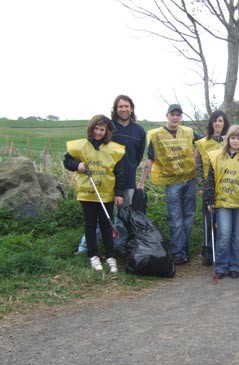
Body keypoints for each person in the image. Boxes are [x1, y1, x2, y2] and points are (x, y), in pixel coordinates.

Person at [74, 95, 146, 255]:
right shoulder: (108, 126)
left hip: (127, 180)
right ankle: (85, 246)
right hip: (104, 179)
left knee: (122, 215)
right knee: (99, 216)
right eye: (120, 106)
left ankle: (117, 246)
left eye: (127, 106)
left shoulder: (139, 131)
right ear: (116, 109)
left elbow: (139, 155)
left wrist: (131, 167)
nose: (124, 109)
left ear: (132, 108)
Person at [64, 115, 125, 273]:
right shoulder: (81, 146)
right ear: (91, 129)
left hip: (107, 193)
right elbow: (67, 161)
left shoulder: (114, 149)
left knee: (106, 224)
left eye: (102, 129)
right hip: (87, 192)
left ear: (107, 131)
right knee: (90, 224)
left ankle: (110, 256)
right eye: (96, 129)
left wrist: (119, 193)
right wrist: (77, 165)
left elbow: (119, 172)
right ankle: (93, 255)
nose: (98, 132)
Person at [138, 103, 197, 265]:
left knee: (189, 217)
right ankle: (178, 253)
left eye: (178, 115)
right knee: (176, 219)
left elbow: (204, 143)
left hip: (189, 180)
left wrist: (196, 156)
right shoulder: (156, 135)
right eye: (173, 114)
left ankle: (184, 250)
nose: (175, 117)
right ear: (167, 115)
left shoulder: (188, 132)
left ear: (181, 117)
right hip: (172, 184)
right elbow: (150, 159)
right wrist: (142, 182)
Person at [204, 125, 239, 279]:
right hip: (222, 202)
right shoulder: (216, 157)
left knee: (236, 236)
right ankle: (221, 267)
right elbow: (210, 179)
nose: (236, 141)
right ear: (228, 139)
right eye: (233, 138)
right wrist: (210, 199)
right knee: (224, 235)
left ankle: (234, 266)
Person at [195, 110, 230, 266]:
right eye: (215, 121)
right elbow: (198, 166)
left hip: (226, 187)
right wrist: (201, 186)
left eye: (220, 121)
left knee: (224, 222)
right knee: (208, 221)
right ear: (211, 123)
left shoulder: (230, 142)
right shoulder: (202, 143)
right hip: (209, 188)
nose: (217, 123)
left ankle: (222, 251)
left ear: (224, 124)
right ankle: (208, 250)